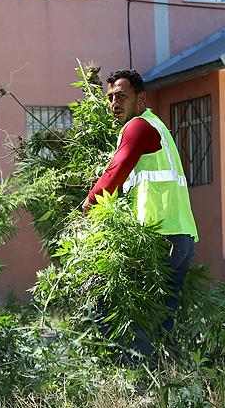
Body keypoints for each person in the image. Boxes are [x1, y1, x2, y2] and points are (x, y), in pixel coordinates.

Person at [82, 69, 199, 358]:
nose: (114, 104)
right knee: (160, 319)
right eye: (110, 98)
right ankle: (166, 379)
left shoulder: (138, 127)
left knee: (106, 304)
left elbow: (116, 170)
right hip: (182, 238)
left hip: (157, 238)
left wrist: (89, 203)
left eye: (121, 96)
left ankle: (139, 373)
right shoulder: (157, 126)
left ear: (141, 98)